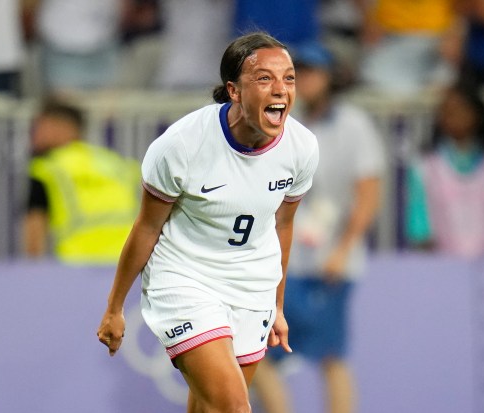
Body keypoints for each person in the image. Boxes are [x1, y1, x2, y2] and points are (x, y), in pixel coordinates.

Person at [96, 32, 319, 413]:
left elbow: (282, 225)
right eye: (264, 78)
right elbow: (147, 227)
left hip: (251, 286)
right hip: (185, 279)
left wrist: (277, 307)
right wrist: (115, 307)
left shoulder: (301, 148)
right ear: (233, 90)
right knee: (234, 406)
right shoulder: (182, 145)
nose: (280, 89)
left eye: (289, 78)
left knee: (207, 406)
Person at [252, 42, 384, 413]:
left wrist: (343, 250)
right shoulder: (281, 124)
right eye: (297, 74)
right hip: (283, 261)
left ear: (330, 78)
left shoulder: (353, 124)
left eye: (311, 73)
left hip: (329, 262)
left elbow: (368, 193)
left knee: (330, 355)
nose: (304, 80)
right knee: (258, 352)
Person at [405, 80, 484, 257]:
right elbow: (420, 229)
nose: (451, 117)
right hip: (440, 267)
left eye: (459, 110)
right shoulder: (424, 167)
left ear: (477, 115)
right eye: (446, 112)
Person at [23, 98, 141, 264]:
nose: (34, 135)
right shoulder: (116, 163)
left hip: (77, 269)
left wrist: (33, 274)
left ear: (64, 128)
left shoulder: (47, 168)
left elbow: (34, 233)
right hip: (128, 266)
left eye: (40, 127)